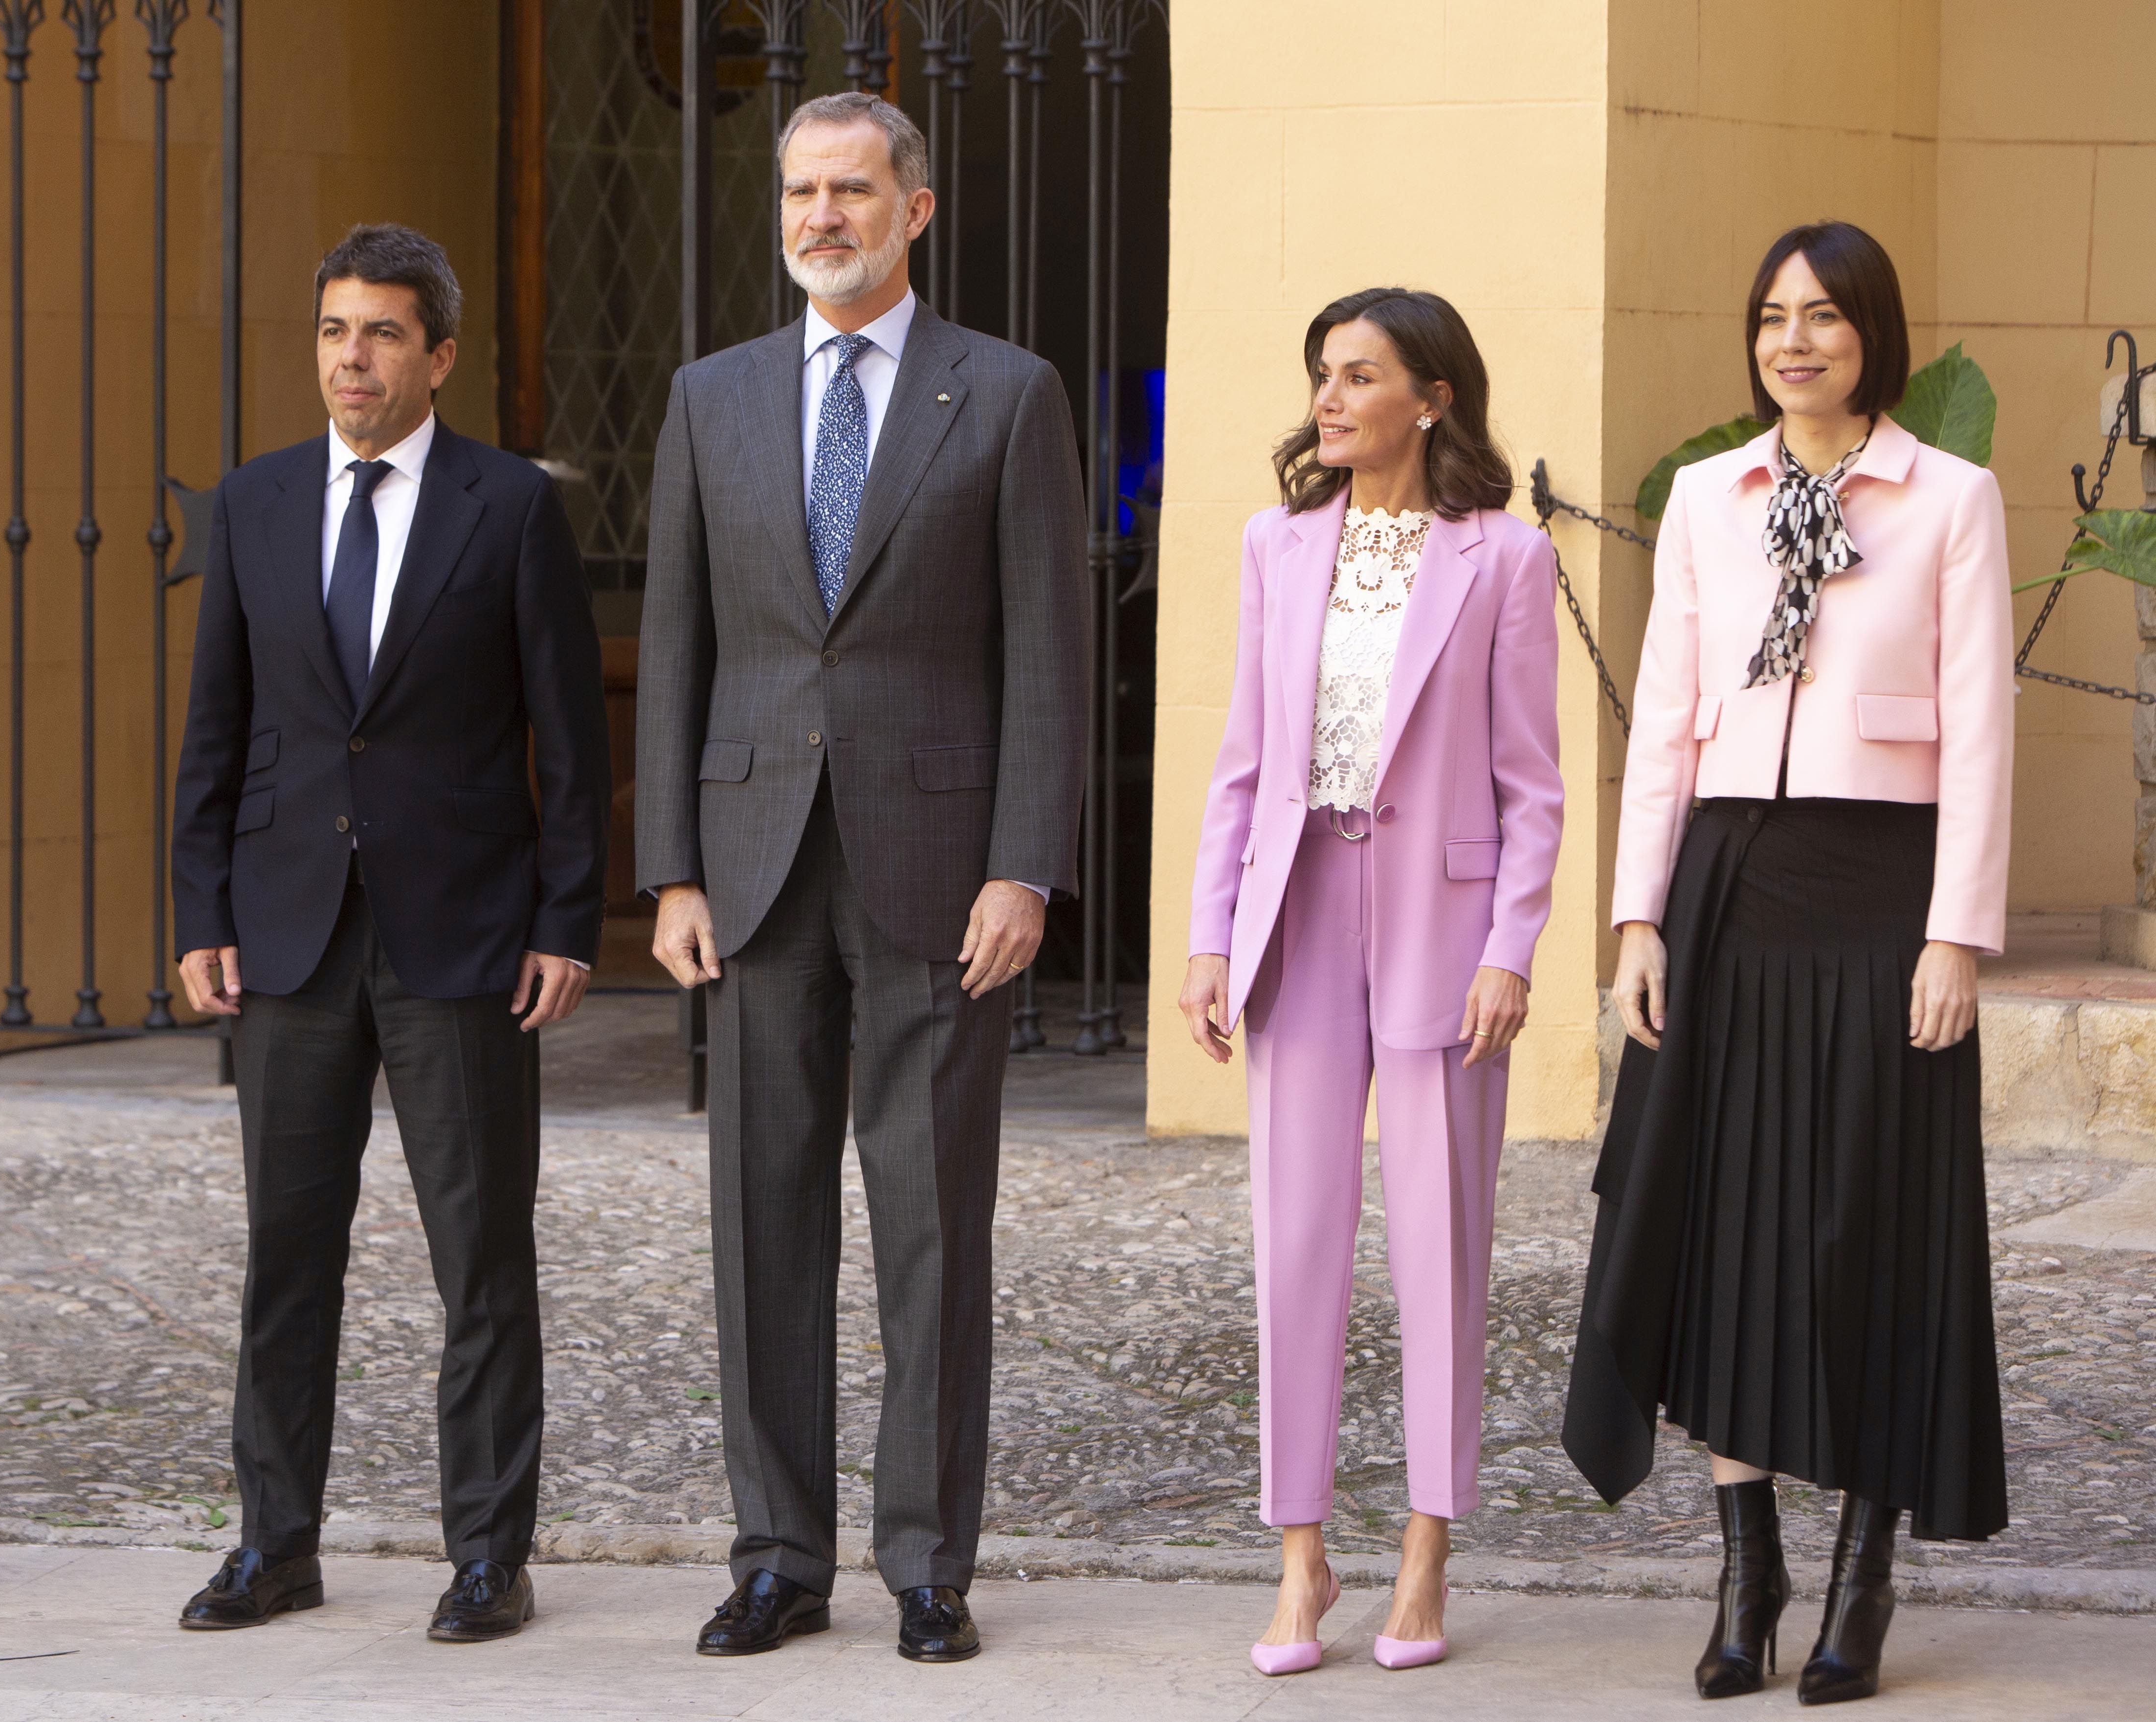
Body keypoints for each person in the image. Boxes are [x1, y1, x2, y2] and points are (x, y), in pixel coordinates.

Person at [636, 91, 1089, 1664]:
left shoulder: (1010, 394)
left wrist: (1026, 862)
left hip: (940, 869)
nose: (821, 216)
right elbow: (680, 643)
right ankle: (777, 1553)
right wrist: (669, 869)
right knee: (761, 1221)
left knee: (930, 1226)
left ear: (918, 208)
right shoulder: (711, 397)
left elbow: (1048, 648)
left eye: (852, 190)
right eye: (800, 192)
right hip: (754, 867)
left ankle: (926, 1562)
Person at [1565, 221, 2012, 1705]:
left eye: (1823, 316)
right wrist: (1640, 915)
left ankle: (1862, 1576)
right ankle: (1745, 1572)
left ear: (1872, 330)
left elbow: (1980, 733)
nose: (1795, 341)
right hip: (1729, 890)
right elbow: (1670, 718)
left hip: (1884, 893)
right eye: (1771, 316)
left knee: (1866, 1231)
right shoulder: (1706, 497)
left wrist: (1958, 930)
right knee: (1727, 1230)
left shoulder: (1951, 498)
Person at [169, 224, 607, 1641]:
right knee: (286, 1252)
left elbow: (568, 730)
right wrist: (200, 909)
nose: (350, 357)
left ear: (439, 354)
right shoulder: (253, 502)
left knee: (480, 1253)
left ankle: (489, 1551)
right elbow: (218, 730)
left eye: (379, 333)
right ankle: (272, 1541)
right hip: (289, 934)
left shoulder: (509, 508)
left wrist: (566, 916)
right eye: (332, 331)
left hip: (464, 937)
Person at [1181, 288, 1563, 1675]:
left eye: (1360, 376)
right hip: (1298, 909)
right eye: (1322, 377)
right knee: (1296, 1243)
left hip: (1441, 928)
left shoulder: (1505, 559)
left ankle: (1425, 1546)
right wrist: (1211, 934)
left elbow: (1534, 782)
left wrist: (1512, 947)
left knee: (1439, 1242)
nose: (1330, 400)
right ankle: (1299, 1557)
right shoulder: (1276, 546)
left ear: (1432, 396)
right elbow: (1242, 758)